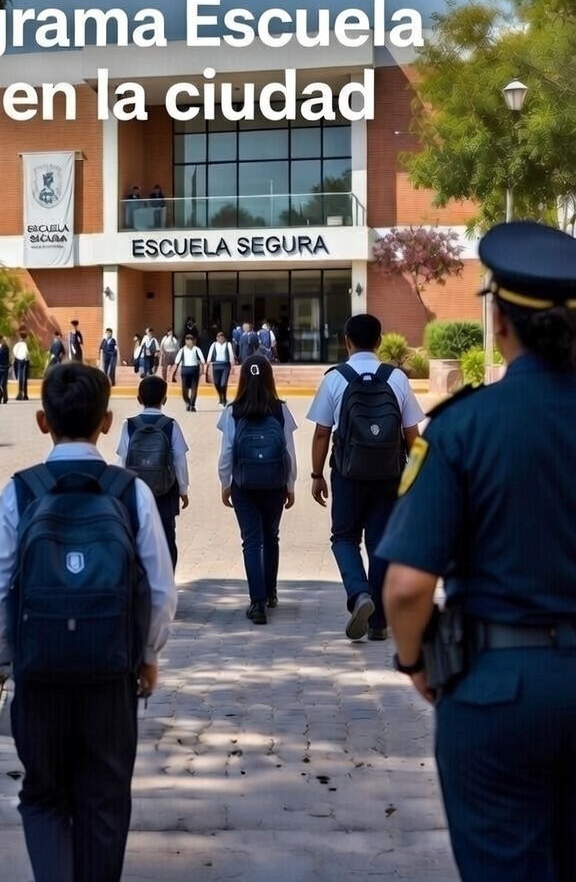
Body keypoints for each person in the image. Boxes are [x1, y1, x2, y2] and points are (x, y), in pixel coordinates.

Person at [379, 222, 576, 882]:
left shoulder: (463, 426)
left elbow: (407, 586)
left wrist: (415, 661)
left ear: (500, 321)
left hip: (496, 691)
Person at [0, 362, 176, 882]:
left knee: (43, 794)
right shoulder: (129, 492)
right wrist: (148, 656)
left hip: (38, 672)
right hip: (110, 674)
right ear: (107, 422)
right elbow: (160, 587)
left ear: (42, 421)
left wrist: (5, 657)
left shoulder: (20, 492)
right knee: (105, 799)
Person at [306, 314, 424, 640]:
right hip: (390, 475)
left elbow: (321, 433)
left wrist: (316, 474)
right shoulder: (396, 378)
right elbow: (413, 436)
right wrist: (414, 479)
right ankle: (379, 623)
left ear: (346, 341)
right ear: (380, 341)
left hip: (347, 474)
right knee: (381, 541)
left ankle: (359, 594)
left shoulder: (335, 378)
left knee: (344, 538)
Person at [218, 354, 297, 624]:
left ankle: (257, 602)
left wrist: (225, 483)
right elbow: (289, 452)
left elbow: (226, 452)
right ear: (269, 378)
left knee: (251, 541)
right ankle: (271, 592)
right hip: (275, 484)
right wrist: (290, 485)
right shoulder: (280, 410)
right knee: (271, 537)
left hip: (244, 484)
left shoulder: (233, 411)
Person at [117, 374, 190, 570]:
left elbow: (122, 460)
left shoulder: (128, 425)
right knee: (167, 538)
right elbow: (180, 461)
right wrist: (183, 490)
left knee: (137, 536)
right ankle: (167, 579)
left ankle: (142, 581)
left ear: (139, 399)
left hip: (136, 492)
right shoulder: (171, 425)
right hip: (166, 490)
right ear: (164, 399)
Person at [175, 332, 206, 412]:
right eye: (187, 339)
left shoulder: (197, 349)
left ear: (194, 341)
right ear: (185, 341)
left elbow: (203, 360)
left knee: (194, 388)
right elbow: (177, 361)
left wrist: (202, 367)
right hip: (185, 370)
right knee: (184, 390)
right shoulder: (182, 350)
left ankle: (192, 405)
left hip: (194, 369)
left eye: (191, 339)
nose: (189, 341)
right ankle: (188, 402)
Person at [206, 331, 235, 407]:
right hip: (216, 366)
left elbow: (231, 355)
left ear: (224, 338)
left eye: (222, 337)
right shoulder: (214, 345)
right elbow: (210, 354)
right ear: (217, 338)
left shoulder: (228, 344)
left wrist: (232, 365)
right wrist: (208, 361)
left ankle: (224, 399)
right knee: (216, 383)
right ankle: (220, 396)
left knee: (223, 384)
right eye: (219, 337)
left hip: (225, 366)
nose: (221, 339)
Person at [13, 329, 31, 400]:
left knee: (20, 378)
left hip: (19, 361)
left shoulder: (18, 344)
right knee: (24, 378)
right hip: (24, 361)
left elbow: (15, 353)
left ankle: (21, 394)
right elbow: (26, 354)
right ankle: (25, 395)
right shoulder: (24, 344)